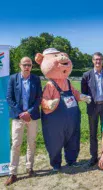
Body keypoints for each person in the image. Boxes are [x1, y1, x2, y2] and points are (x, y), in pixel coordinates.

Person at [5, 57, 42, 186]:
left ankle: (29, 168)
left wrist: (29, 112)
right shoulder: (13, 78)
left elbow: (39, 98)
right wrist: (21, 112)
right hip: (18, 117)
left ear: (32, 67)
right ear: (20, 65)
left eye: (29, 65)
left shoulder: (36, 79)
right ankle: (13, 173)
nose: (27, 67)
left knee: (31, 143)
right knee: (16, 144)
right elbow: (9, 98)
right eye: (25, 64)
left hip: (32, 116)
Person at [81, 52, 103, 167]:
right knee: (92, 133)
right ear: (92, 61)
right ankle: (94, 157)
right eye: (96, 59)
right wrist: (89, 102)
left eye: (100, 59)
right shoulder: (86, 75)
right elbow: (83, 93)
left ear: (102, 61)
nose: (98, 62)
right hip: (93, 107)